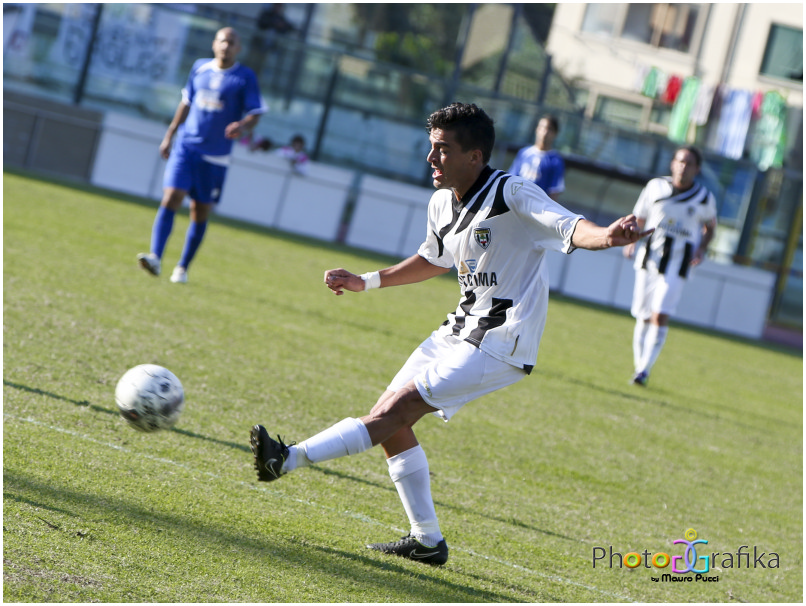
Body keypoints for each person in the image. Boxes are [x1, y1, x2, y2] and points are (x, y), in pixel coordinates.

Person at [249, 103, 652, 566]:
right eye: (431, 147)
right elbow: (433, 258)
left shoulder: (513, 193)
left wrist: (609, 236)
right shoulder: (441, 200)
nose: (431, 158)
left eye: (442, 149)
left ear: (474, 156)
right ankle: (427, 540)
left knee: (397, 410)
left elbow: (572, 228)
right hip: (457, 330)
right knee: (389, 421)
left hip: (503, 340)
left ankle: (288, 458)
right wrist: (368, 280)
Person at [137, 27, 267, 284]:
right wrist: (170, 134)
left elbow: (256, 113)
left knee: (199, 211)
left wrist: (242, 126)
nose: (226, 46)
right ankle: (155, 257)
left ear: (238, 48)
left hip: (215, 156)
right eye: (222, 41)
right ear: (213, 44)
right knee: (172, 196)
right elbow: (186, 102)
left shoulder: (244, 77)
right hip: (186, 147)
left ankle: (182, 267)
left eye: (232, 42)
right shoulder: (200, 68)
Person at [623, 145, 717, 386]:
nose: (683, 167)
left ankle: (644, 369)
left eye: (689, 163)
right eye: (679, 161)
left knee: (660, 314)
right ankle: (639, 364)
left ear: (697, 169)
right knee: (642, 315)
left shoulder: (704, 198)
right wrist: (631, 241)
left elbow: (711, 227)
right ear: (672, 163)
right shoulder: (655, 186)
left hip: (679, 263)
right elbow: (640, 216)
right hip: (648, 258)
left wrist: (701, 247)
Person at [508, 114, 565, 200]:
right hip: (516, 204)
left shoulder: (556, 161)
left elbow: (554, 193)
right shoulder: (524, 153)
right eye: (542, 127)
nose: (545, 132)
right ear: (537, 129)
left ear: (555, 134)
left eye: (549, 129)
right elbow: (511, 180)